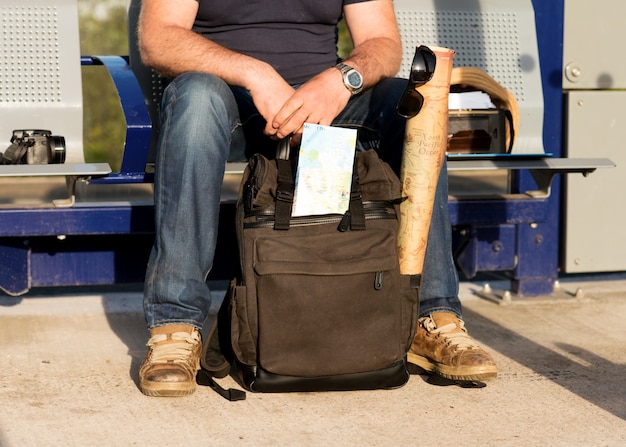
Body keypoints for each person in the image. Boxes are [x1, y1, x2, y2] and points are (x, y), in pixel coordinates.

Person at [137, 0, 497, 397]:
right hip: (227, 98)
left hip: (330, 104)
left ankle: (431, 316)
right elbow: (158, 40)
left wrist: (341, 80)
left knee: (413, 105)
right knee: (195, 96)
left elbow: (382, 42)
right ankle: (175, 325)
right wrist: (255, 74)